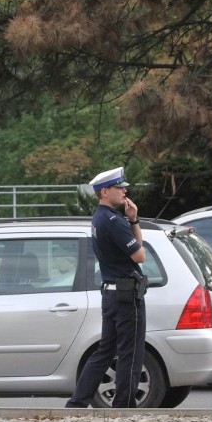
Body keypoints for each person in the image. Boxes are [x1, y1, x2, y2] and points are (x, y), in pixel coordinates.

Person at [67, 166, 146, 408]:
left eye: (124, 187)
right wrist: (129, 222)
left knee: (105, 350)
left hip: (112, 293)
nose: (125, 191)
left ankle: (78, 403)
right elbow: (140, 255)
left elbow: (134, 246)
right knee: (130, 353)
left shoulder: (101, 217)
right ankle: (123, 409)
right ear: (104, 192)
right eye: (119, 188)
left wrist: (133, 219)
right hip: (126, 296)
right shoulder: (113, 221)